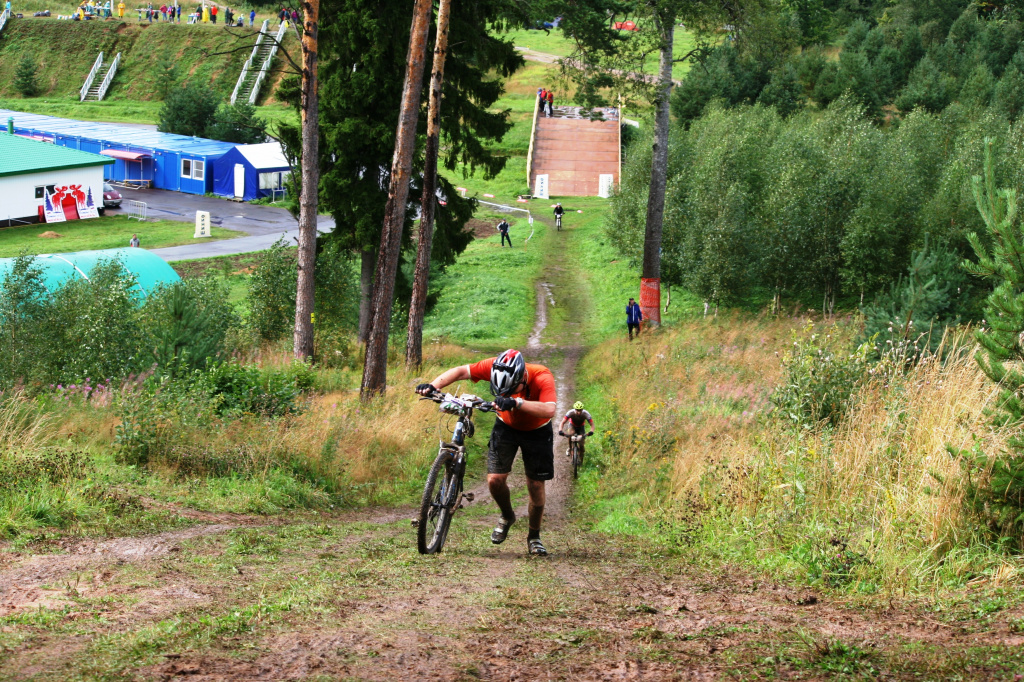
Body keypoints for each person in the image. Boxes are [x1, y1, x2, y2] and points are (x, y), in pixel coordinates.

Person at [416, 349, 557, 557]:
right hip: (505, 427)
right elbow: (460, 371)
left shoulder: (541, 376)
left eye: (511, 389)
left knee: (535, 485)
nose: (505, 394)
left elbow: (549, 409)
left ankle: (534, 537)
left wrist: (517, 402)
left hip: (537, 431)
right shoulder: (495, 366)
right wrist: (433, 386)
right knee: (494, 480)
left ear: (521, 377)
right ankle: (507, 516)